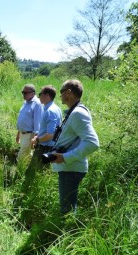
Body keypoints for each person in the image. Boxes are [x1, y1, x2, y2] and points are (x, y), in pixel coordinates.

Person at [50, 79, 99, 215]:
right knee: (67, 208)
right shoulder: (73, 112)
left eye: (61, 92)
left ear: (69, 92)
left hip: (71, 168)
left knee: (67, 211)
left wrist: (65, 157)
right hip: (68, 168)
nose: (60, 96)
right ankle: (68, 232)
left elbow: (92, 143)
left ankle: (68, 234)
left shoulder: (78, 113)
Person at [23, 85, 63, 191]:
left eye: (40, 94)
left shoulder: (50, 111)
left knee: (33, 172)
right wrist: (38, 135)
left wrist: (36, 140)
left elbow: (51, 134)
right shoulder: (55, 108)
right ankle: (37, 191)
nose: (38, 96)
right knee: (42, 172)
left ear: (47, 95)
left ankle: (29, 192)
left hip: (45, 147)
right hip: (48, 146)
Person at [16, 84, 43, 164]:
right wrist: (18, 134)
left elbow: (37, 122)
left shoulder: (37, 104)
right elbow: (22, 119)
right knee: (27, 155)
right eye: (23, 92)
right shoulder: (25, 102)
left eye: (25, 92)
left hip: (29, 135)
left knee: (21, 156)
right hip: (23, 133)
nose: (23, 94)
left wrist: (34, 138)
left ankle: (18, 172)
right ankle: (27, 171)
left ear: (33, 93)